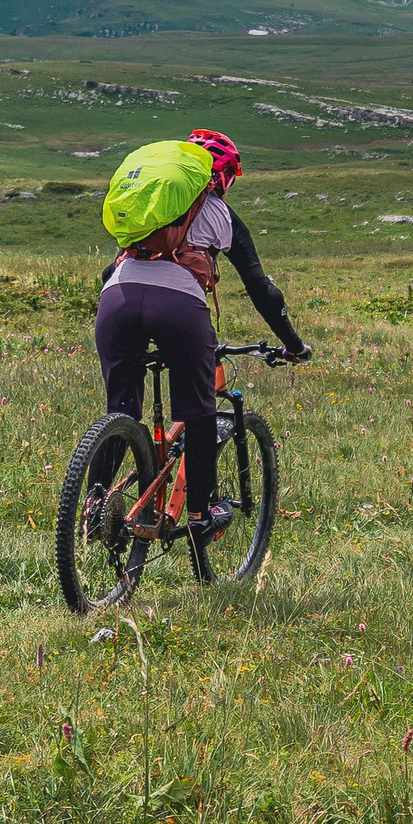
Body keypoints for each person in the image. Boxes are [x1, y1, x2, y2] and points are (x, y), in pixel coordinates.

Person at [94, 129, 310, 540]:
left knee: (120, 409)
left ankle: (91, 505)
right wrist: (294, 344)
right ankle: (201, 514)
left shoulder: (155, 211)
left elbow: (113, 271)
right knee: (197, 411)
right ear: (223, 179)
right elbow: (262, 290)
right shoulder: (219, 214)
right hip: (178, 308)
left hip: (116, 301)